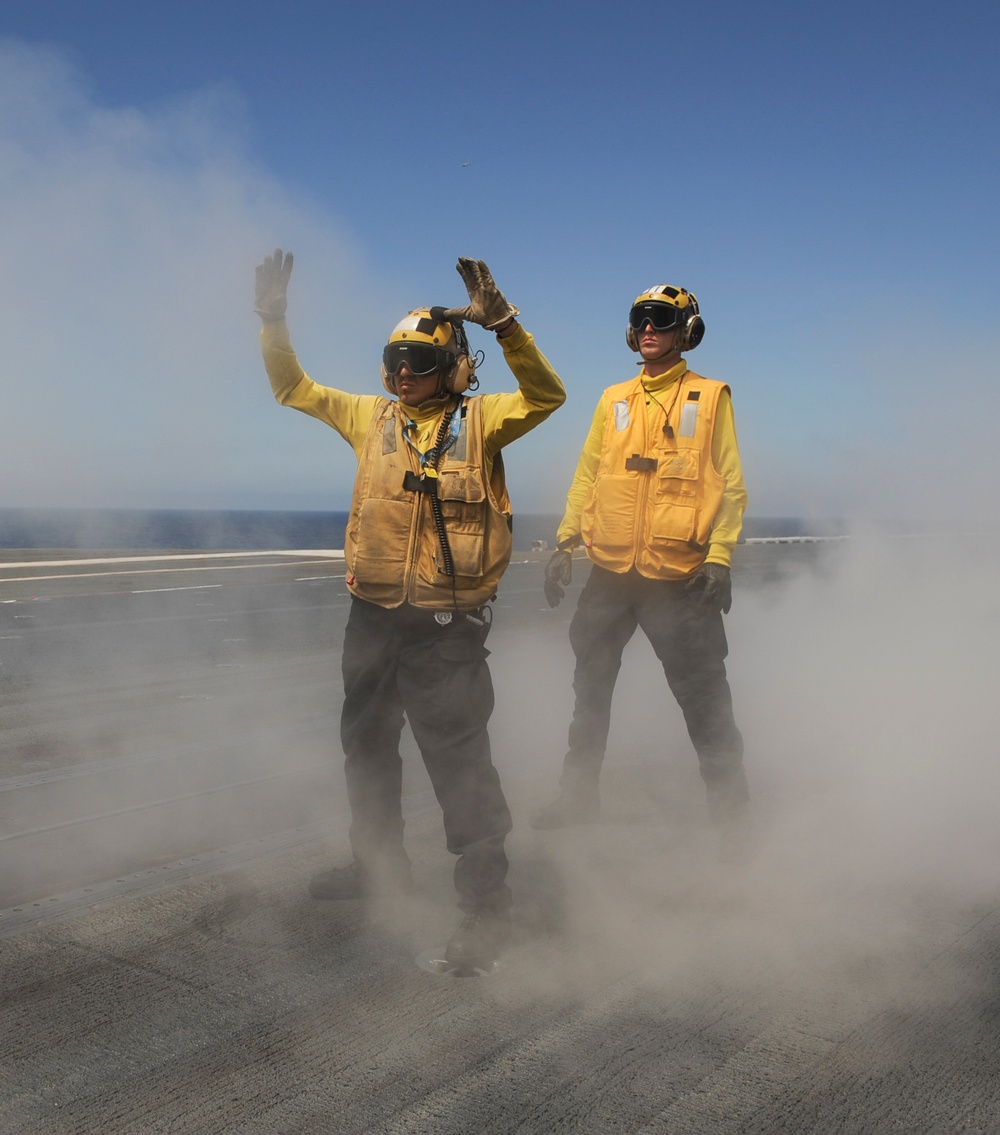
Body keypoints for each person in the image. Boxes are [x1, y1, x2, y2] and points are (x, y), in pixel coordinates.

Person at [254, 251, 565, 969]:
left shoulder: (486, 421)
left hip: (445, 632)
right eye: (394, 361)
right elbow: (291, 386)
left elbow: (547, 395)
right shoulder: (371, 418)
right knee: (365, 748)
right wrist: (273, 319)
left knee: (460, 767)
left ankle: (488, 912)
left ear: (455, 368)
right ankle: (377, 870)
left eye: (419, 362)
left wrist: (508, 326)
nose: (402, 375)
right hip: (372, 619)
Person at [534, 284, 749, 847]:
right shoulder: (613, 399)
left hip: (679, 578)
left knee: (705, 701)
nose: (649, 328)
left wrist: (720, 556)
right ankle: (577, 800)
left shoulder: (710, 396)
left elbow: (731, 486)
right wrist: (564, 543)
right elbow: (588, 476)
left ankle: (733, 823)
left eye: (662, 319)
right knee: (590, 691)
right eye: (641, 319)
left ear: (688, 331)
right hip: (610, 574)